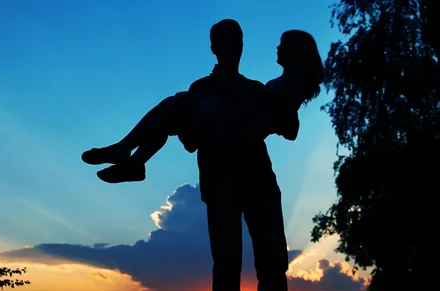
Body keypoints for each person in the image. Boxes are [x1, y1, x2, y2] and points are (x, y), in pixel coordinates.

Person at [86, 19, 324, 291]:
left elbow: (287, 125)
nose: (232, 47)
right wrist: (212, 123)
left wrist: (244, 117)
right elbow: (189, 140)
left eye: (236, 41)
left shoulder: (255, 87)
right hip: (220, 179)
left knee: (271, 266)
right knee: (227, 268)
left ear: (241, 46)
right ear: (215, 48)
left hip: (258, 179)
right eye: (225, 41)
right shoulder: (203, 86)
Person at [81, 26, 324, 185]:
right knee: (171, 113)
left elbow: (288, 124)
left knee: (175, 105)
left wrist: (256, 99)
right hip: (229, 127)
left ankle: (127, 153)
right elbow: (191, 142)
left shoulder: (293, 78)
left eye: (284, 43)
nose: (278, 47)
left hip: (239, 126)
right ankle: (133, 161)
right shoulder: (270, 83)